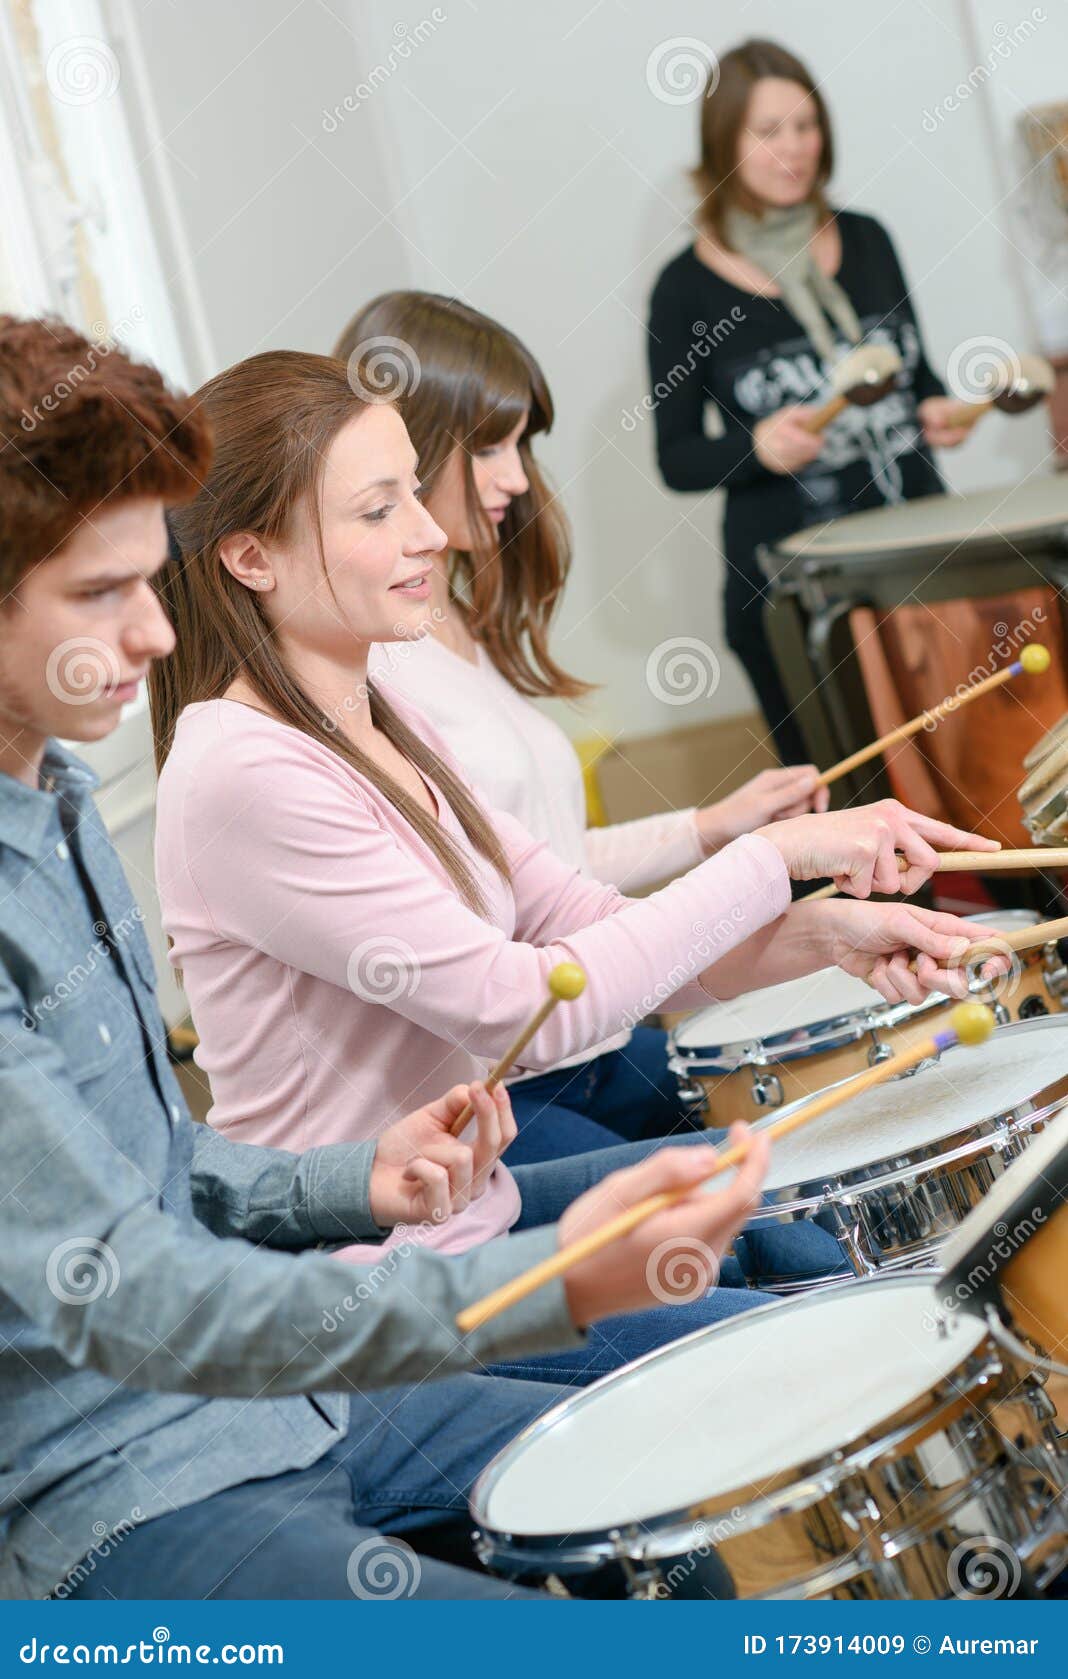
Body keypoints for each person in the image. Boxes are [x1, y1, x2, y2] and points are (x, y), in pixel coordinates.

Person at [0, 313, 773, 1603]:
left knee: (666, 1529)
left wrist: (356, 1179)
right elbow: (131, 1295)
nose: (149, 634)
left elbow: (160, 1163)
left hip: (285, 1403)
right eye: (99, 593)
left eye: (149, 581)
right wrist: (552, 1279)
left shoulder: (65, 802)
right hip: (118, 1490)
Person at [149, 346, 1003, 1374]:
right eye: (378, 512)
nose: (429, 533)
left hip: (477, 1217)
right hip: (369, 1293)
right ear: (252, 557)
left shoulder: (378, 707)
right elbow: (523, 1003)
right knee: (798, 1349)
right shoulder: (242, 768)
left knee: (804, 1237)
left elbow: (580, 919)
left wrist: (831, 936)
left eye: (416, 497)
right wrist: (771, 853)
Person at [334, 289, 830, 1166]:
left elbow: (536, 867)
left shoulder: (453, 621)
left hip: (584, 1052)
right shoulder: (373, 669)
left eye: (521, 444)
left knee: (808, 1139)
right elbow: (490, 924)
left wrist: (711, 827)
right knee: (765, 1219)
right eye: (488, 446)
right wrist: (758, 869)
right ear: (403, 449)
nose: (518, 477)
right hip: (504, 1083)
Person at [647, 38, 968, 763]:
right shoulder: (684, 289)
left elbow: (919, 378)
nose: (793, 148)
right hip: (794, 599)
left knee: (974, 773)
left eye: (806, 126)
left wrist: (939, 410)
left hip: (919, 563)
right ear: (722, 142)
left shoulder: (868, 239)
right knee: (855, 807)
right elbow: (676, 458)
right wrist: (755, 448)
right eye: (768, 132)